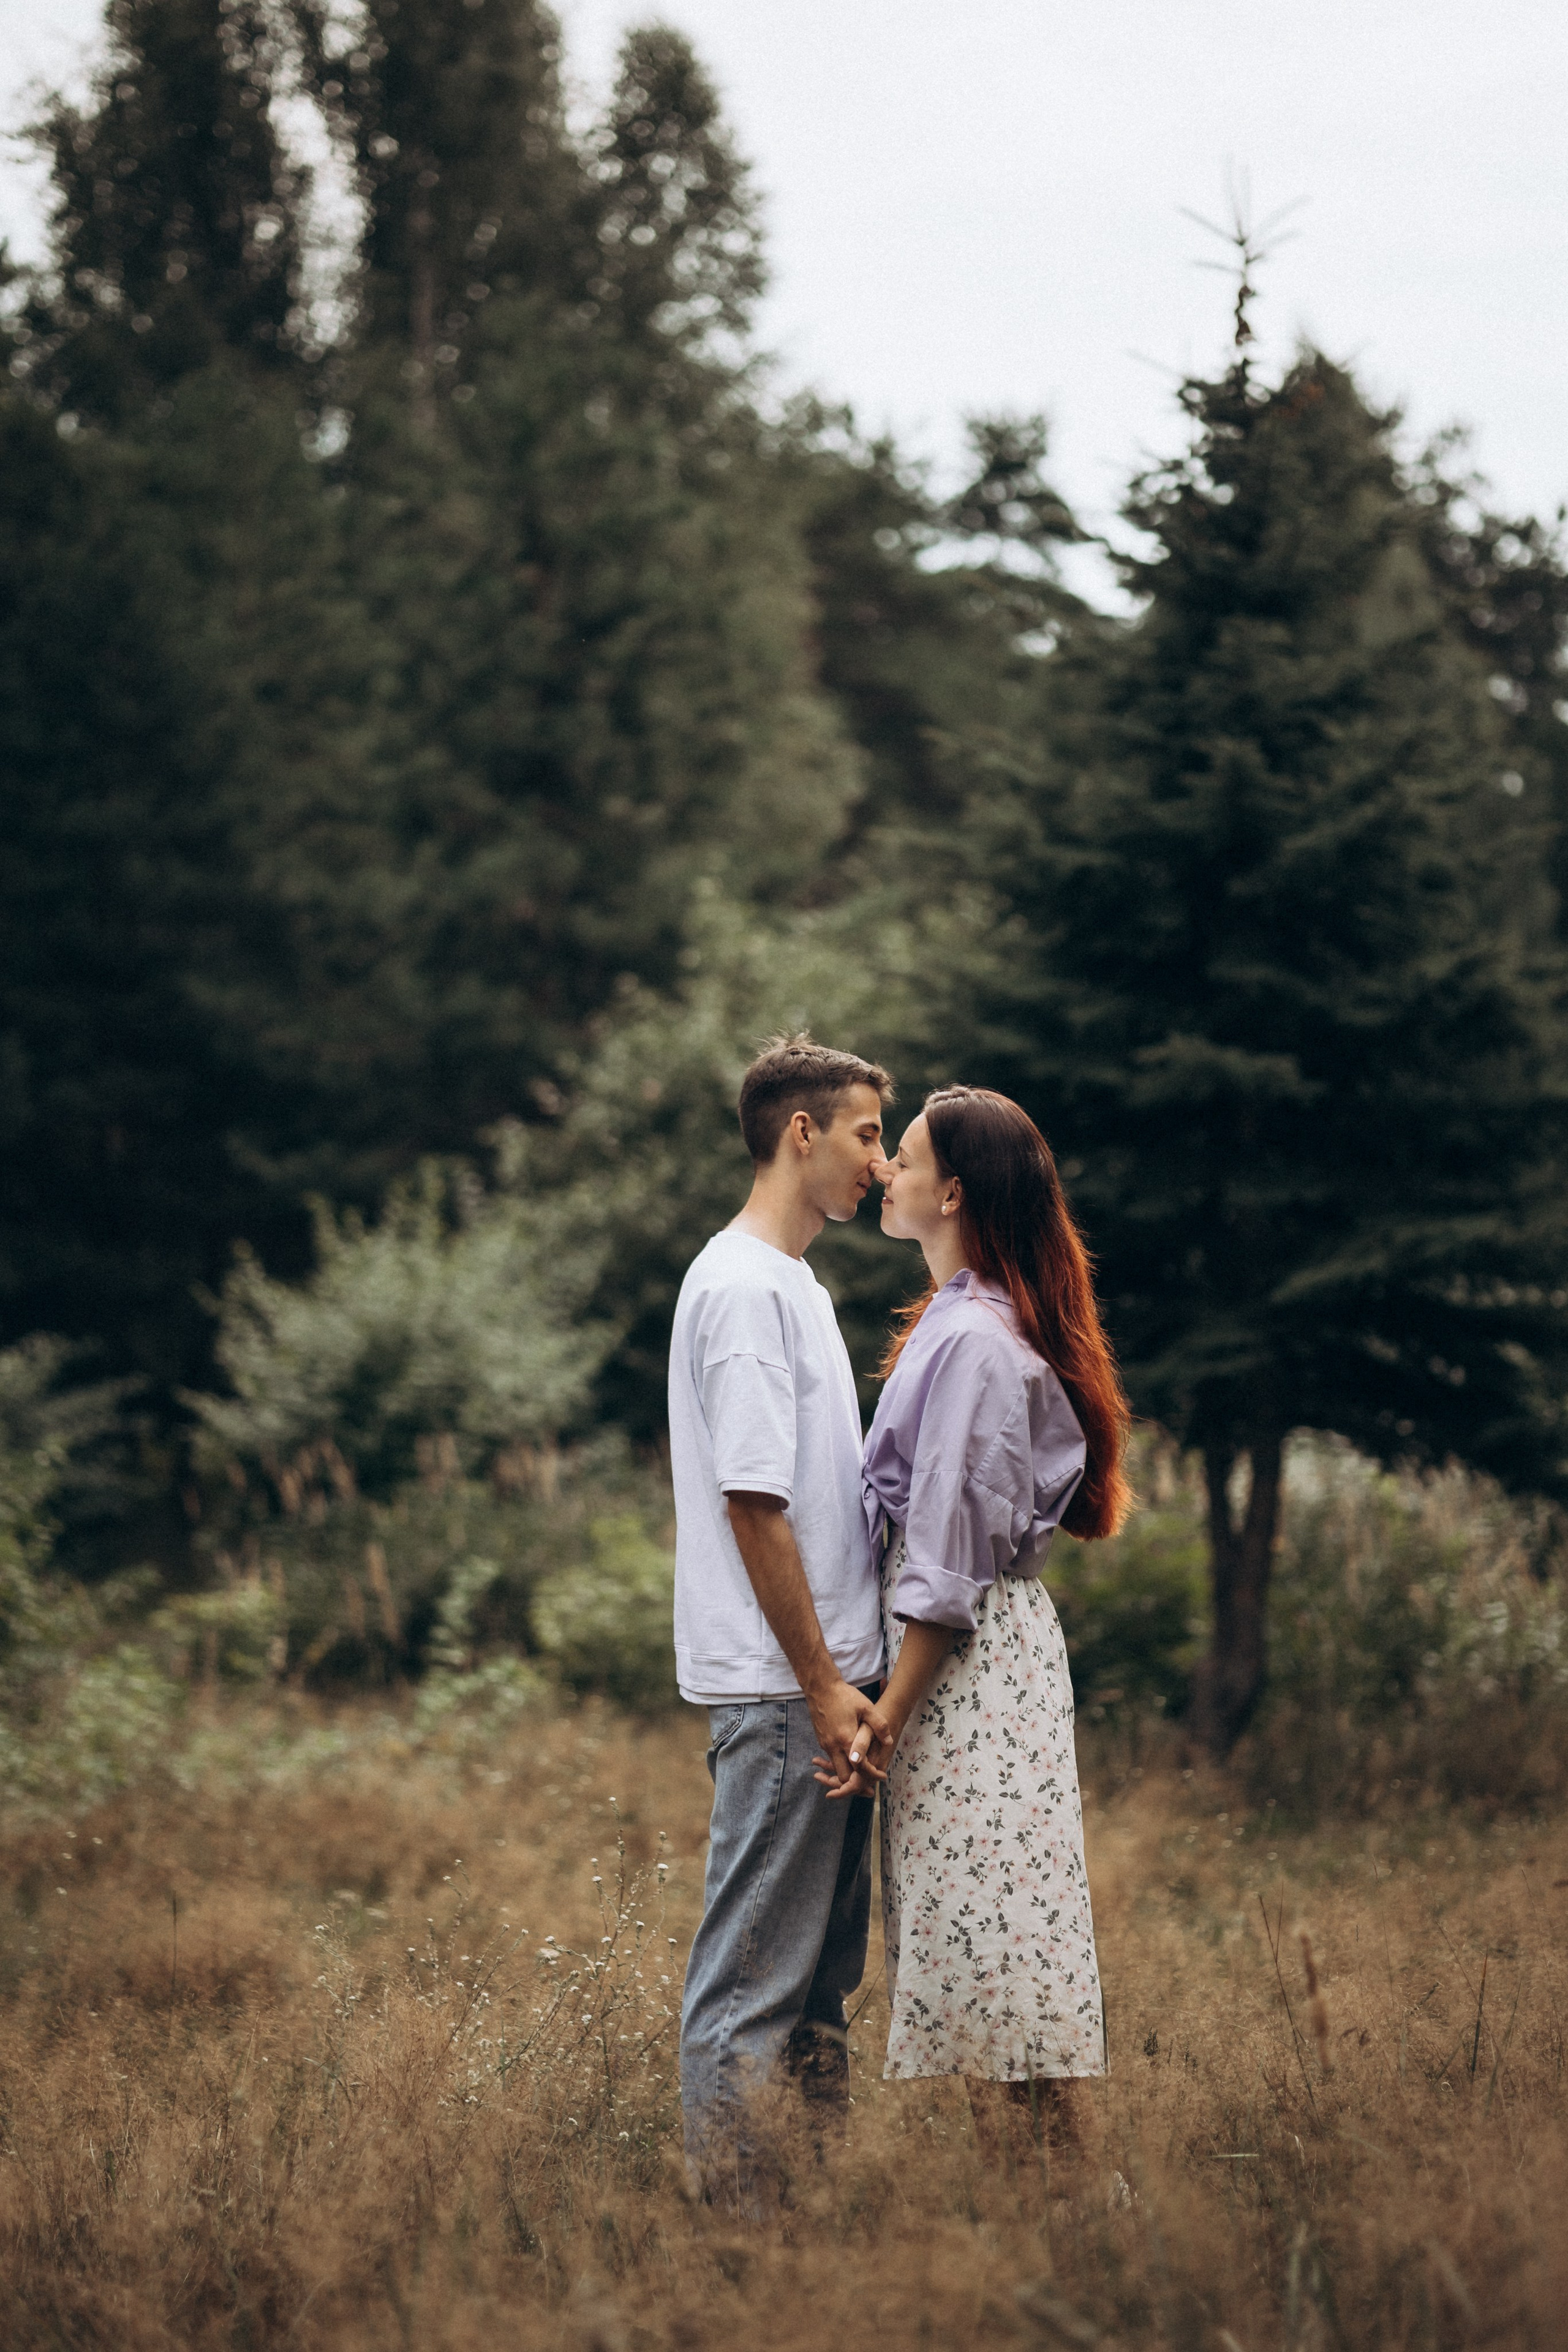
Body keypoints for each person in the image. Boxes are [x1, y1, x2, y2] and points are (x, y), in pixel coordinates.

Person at [824, 1085, 1130, 2162]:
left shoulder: (977, 1344)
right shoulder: (964, 1323)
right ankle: (1039, 2201)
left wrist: (888, 1718)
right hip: (979, 1662)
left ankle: (1059, 2204)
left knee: (996, 1948)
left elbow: (948, 1556)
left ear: (949, 1191)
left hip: (965, 1673)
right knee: (984, 1942)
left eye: (899, 1158)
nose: (883, 1174)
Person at [670, 1034, 895, 2210]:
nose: (881, 1164)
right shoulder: (747, 1290)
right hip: (782, 1699)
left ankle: (808, 2227)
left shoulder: (795, 1283)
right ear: (800, 1132)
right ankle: (740, 2256)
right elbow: (755, 1508)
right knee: (751, 1991)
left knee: (813, 1991)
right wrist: (819, 1688)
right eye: (866, 1135)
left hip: (826, 1692)